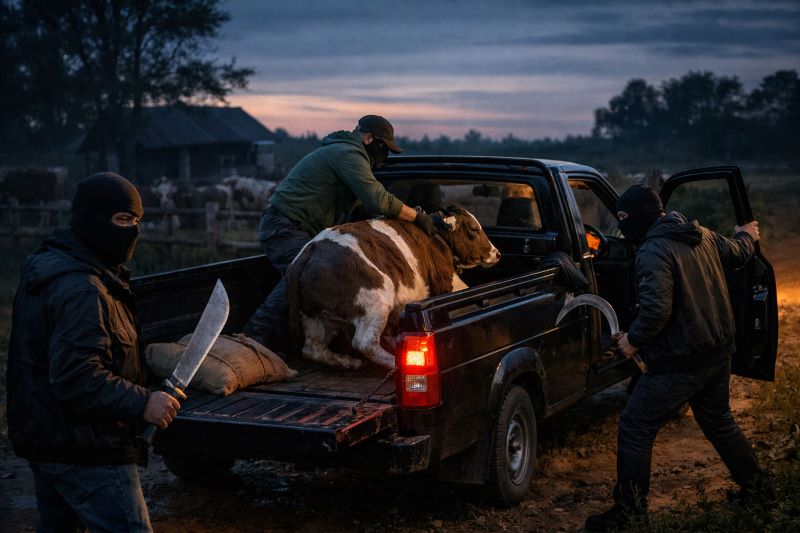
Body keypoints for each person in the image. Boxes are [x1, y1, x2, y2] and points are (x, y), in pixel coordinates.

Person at [585, 184, 771, 531]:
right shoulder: (699, 233)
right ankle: (760, 492)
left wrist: (633, 341)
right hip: (717, 352)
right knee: (719, 422)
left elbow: (656, 311)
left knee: (635, 426)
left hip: (682, 358)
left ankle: (629, 514)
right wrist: (746, 235)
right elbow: (739, 253)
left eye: (623, 219)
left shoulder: (653, 251)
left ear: (639, 217)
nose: (622, 227)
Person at [7, 172, 181, 532]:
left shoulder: (55, 265)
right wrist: (143, 402)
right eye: (122, 219)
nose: (133, 230)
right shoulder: (82, 288)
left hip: (48, 438)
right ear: (92, 218)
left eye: (137, 220)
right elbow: (77, 377)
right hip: (86, 447)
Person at [243, 115, 439, 352]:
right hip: (286, 225)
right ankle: (255, 336)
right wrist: (417, 216)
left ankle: (311, 343)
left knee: (313, 275)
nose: (384, 155)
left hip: (298, 227)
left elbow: (360, 207)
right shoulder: (349, 154)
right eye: (383, 148)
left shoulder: (345, 155)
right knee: (300, 275)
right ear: (368, 138)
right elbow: (377, 198)